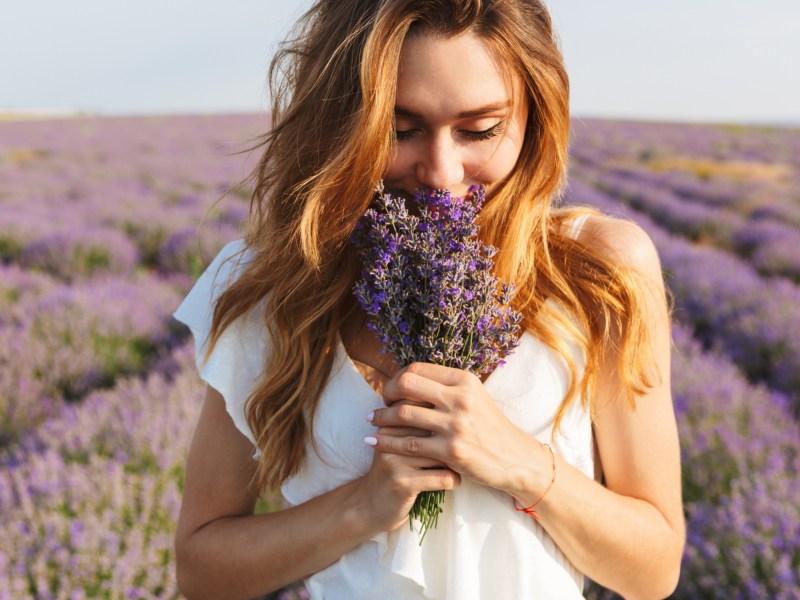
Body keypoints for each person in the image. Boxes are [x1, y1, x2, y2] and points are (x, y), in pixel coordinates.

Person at [173, 1, 685, 598]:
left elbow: (652, 572)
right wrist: (362, 508)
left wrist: (521, 464)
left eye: (480, 129)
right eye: (400, 129)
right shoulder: (275, 285)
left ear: (535, 117)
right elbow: (201, 569)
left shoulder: (599, 270)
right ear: (342, 124)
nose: (441, 172)